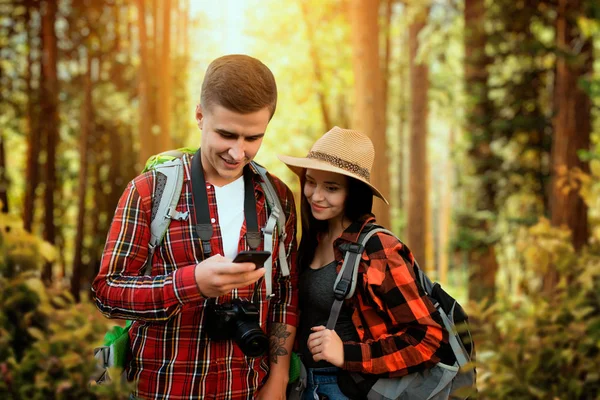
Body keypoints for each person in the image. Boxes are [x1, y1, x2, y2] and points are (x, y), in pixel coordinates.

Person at [92, 55, 298, 400]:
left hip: (246, 389)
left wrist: (277, 379)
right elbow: (107, 293)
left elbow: (285, 295)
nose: (238, 152)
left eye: (253, 138)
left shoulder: (277, 197)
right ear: (200, 115)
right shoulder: (148, 192)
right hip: (162, 389)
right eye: (226, 134)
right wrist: (191, 284)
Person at [278, 127, 456, 400]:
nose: (315, 195)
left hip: (350, 389)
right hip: (304, 385)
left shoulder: (379, 249)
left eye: (332, 188)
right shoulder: (313, 237)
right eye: (311, 182)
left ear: (354, 193)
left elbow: (428, 339)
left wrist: (346, 353)